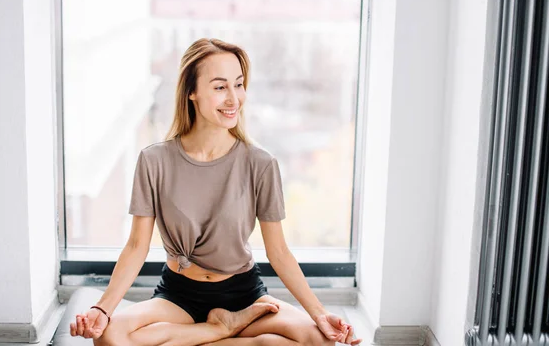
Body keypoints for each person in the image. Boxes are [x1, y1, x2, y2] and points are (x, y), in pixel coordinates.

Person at [69, 38, 362, 345]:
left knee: (322, 341)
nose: (234, 98)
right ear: (192, 92)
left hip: (243, 295)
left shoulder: (260, 164)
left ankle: (210, 333)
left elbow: (279, 251)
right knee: (108, 336)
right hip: (178, 297)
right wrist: (102, 309)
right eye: (220, 87)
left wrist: (319, 314)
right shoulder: (154, 161)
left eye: (239, 84)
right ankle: (218, 330)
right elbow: (136, 246)